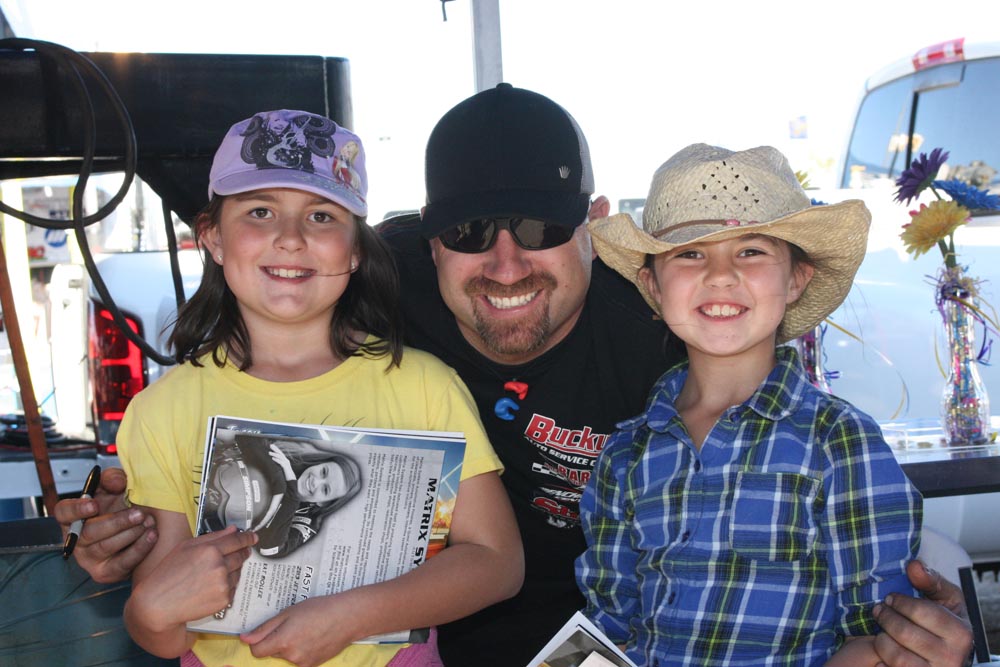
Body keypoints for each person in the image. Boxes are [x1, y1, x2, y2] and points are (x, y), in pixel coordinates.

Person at [56, 87, 975, 667]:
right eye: (469, 232)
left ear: (595, 227)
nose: (504, 263)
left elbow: (840, 527)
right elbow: (210, 432)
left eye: (538, 228)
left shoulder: (666, 328)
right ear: (423, 240)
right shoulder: (372, 306)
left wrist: (916, 624)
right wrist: (113, 527)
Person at [115, 108, 523, 667]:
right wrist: (146, 612)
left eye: (322, 216)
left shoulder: (423, 386)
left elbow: (498, 562)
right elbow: (165, 633)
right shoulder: (160, 411)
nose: (290, 238)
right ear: (212, 237)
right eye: (260, 212)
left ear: (355, 250)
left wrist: (351, 616)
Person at [577, 143, 923, 667]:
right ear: (652, 285)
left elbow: (878, 635)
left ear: (796, 278)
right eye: (689, 253)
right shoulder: (624, 454)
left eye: (751, 251)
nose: (720, 274)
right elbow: (607, 627)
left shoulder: (840, 441)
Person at [200, 434, 363, 559]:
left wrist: (291, 493)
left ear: (324, 503)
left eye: (325, 489)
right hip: (213, 471)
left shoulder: (309, 523)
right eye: (323, 472)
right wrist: (279, 480)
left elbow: (269, 549)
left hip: (215, 524)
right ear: (320, 463)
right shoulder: (299, 450)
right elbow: (247, 437)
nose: (316, 482)